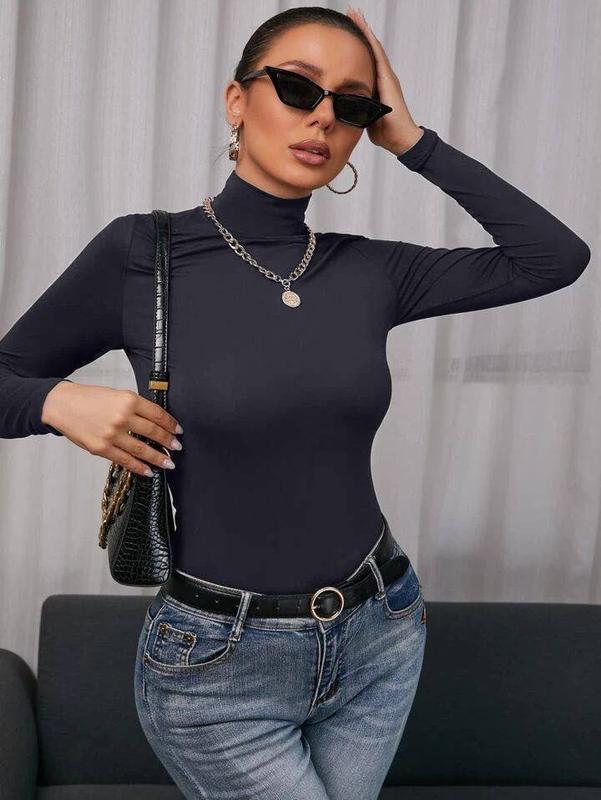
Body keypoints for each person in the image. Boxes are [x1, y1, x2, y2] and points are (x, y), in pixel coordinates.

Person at [0, 6, 591, 799]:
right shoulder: (143, 254)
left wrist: (411, 140)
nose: (323, 117)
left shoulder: (370, 271)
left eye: (351, 103)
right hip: (217, 665)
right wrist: (57, 401)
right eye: (297, 87)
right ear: (236, 100)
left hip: (380, 632)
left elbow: (553, 258)